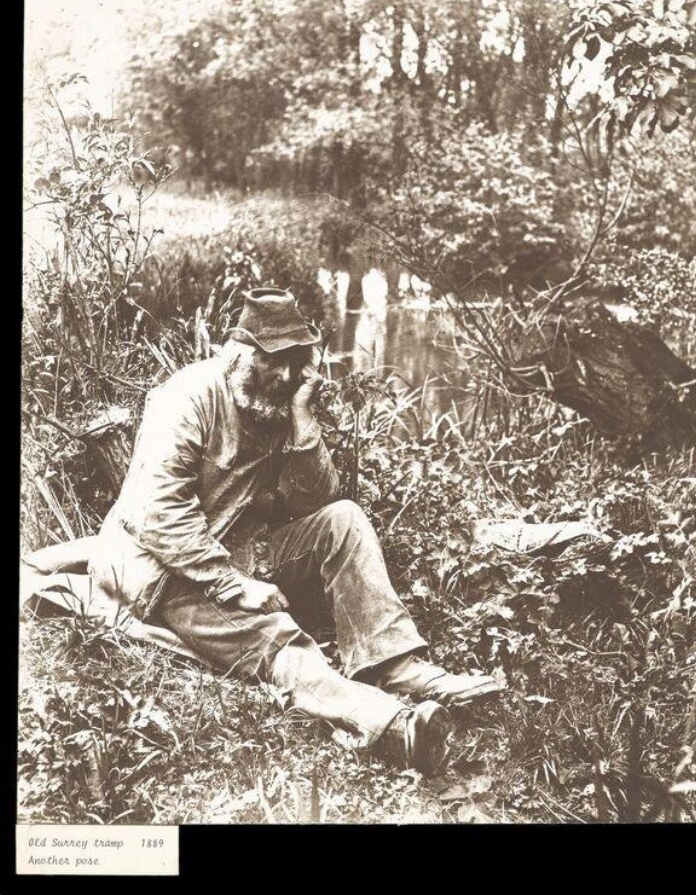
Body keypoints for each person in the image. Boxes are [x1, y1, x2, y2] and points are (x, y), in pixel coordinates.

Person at [88, 287, 501, 776]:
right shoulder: (188, 398)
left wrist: (303, 418)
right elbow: (159, 513)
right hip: (162, 571)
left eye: (295, 362)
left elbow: (316, 500)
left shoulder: (278, 401)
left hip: (237, 551)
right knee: (273, 637)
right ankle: (392, 726)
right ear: (240, 355)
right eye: (273, 362)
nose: (284, 377)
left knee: (344, 520)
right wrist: (233, 583)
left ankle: (393, 665)